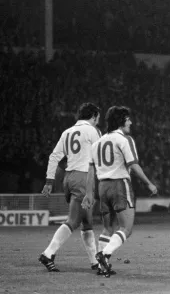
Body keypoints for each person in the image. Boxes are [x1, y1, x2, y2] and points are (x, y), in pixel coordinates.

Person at [82, 106, 157, 277]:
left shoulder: (97, 143)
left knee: (107, 228)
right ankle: (105, 254)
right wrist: (149, 183)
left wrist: (89, 193)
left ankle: (102, 267)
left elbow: (91, 171)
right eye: (128, 119)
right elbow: (133, 164)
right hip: (119, 185)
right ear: (121, 120)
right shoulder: (124, 139)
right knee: (126, 228)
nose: (131, 122)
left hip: (102, 187)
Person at [39, 102, 102, 272]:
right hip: (83, 178)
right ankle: (48, 253)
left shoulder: (67, 132)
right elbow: (100, 157)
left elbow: (54, 156)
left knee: (87, 222)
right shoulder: (93, 131)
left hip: (69, 178)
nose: (98, 121)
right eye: (98, 117)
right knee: (74, 220)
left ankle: (94, 262)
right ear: (94, 115)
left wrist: (49, 181)